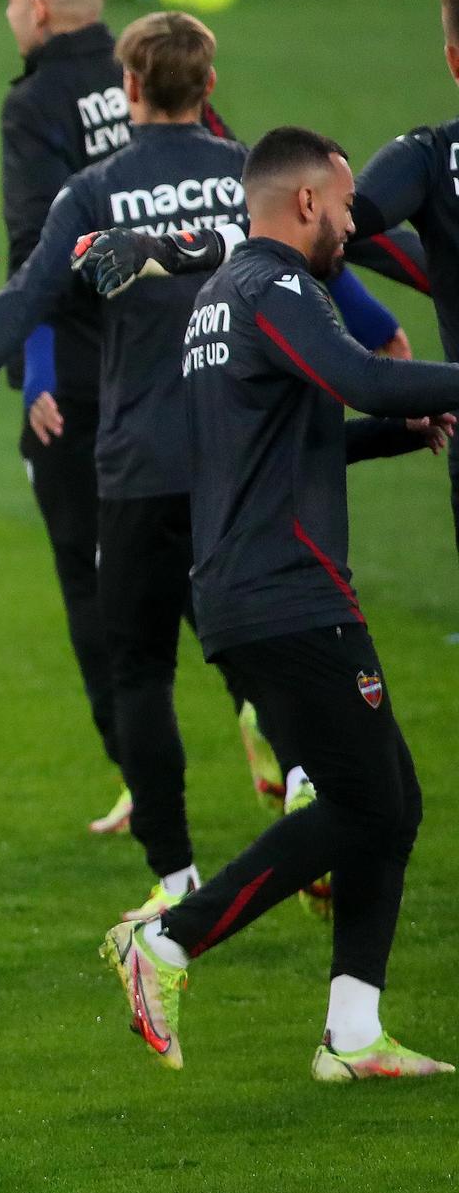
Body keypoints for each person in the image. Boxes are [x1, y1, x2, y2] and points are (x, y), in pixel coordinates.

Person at [1, 0, 406, 834]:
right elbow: (307, 236)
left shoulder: (44, 123)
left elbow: (31, 266)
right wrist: (380, 326)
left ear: (132, 84)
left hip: (113, 411)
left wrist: (28, 373)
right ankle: (286, 752)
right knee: (229, 592)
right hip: (229, 403)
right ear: (206, 78)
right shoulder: (236, 162)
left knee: (123, 632)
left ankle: (167, 847)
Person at [103, 127, 459, 1081]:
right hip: (289, 592)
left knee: (392, 801)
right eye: (346, 208)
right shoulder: (278, 288)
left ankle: (353, 1033)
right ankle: (168, 942)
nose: (352, 225)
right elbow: (364, 376)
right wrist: (422, 391)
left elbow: (295, 441)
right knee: (365, 802)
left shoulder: (218, 302)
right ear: (306, 202)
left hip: (249, 587)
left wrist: (401, 431)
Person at [80, 0, 459, 555]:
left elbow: (326, 229)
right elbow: (329, 231)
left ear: (452, 61)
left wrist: (166, 251)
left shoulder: (430, 159)